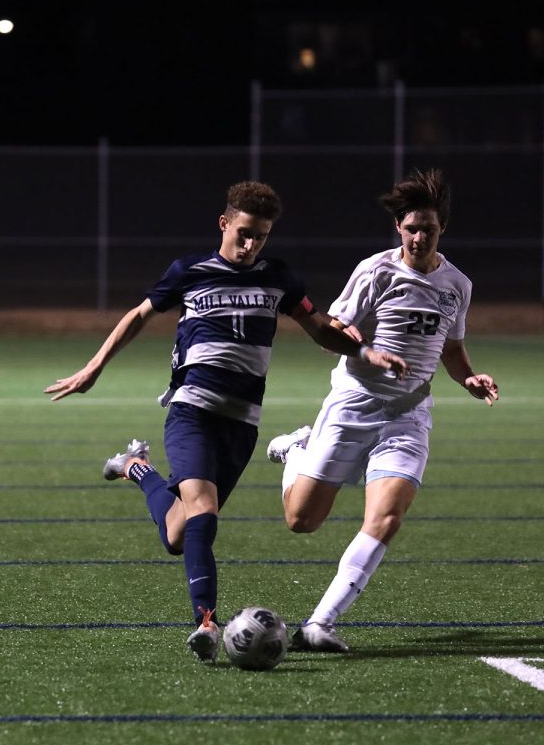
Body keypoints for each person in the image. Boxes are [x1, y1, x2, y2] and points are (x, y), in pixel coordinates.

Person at [44, 180, 407, 663]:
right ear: (224, 223)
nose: (251, 244)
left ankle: (136, 466)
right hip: (191, 411)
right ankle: (207, 622)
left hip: (241, 426)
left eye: (261, 236)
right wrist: (94, 367)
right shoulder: (189, 271)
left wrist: (364, 350)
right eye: (244, 233)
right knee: (204, 511)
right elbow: (138, 314)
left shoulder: (278, 278)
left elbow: (318, 324)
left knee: (179, 532)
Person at [267, 167, 499, 653]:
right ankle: (296, 450)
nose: (418, 237)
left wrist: (470, 379)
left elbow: (451, 350)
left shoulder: (458, 284)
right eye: (411, 228)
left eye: (428, 230)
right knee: (301, 520)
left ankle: (320, 623)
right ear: (399, 228)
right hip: (353, 404)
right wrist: (368, 352)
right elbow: (334, 331)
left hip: (408, 416)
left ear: (442, 231)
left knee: (387, 518)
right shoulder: (375, 271)